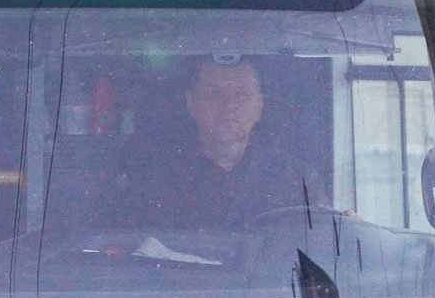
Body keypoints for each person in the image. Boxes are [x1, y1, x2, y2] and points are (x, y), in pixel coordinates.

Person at [138, 56, 322, 233]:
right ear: (192, 104)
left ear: (259, 106)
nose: (229, 106)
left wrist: (345, 226)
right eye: (214, 94)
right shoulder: (154, 177)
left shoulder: (297, 181)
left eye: (241, 95)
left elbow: (318, 246)